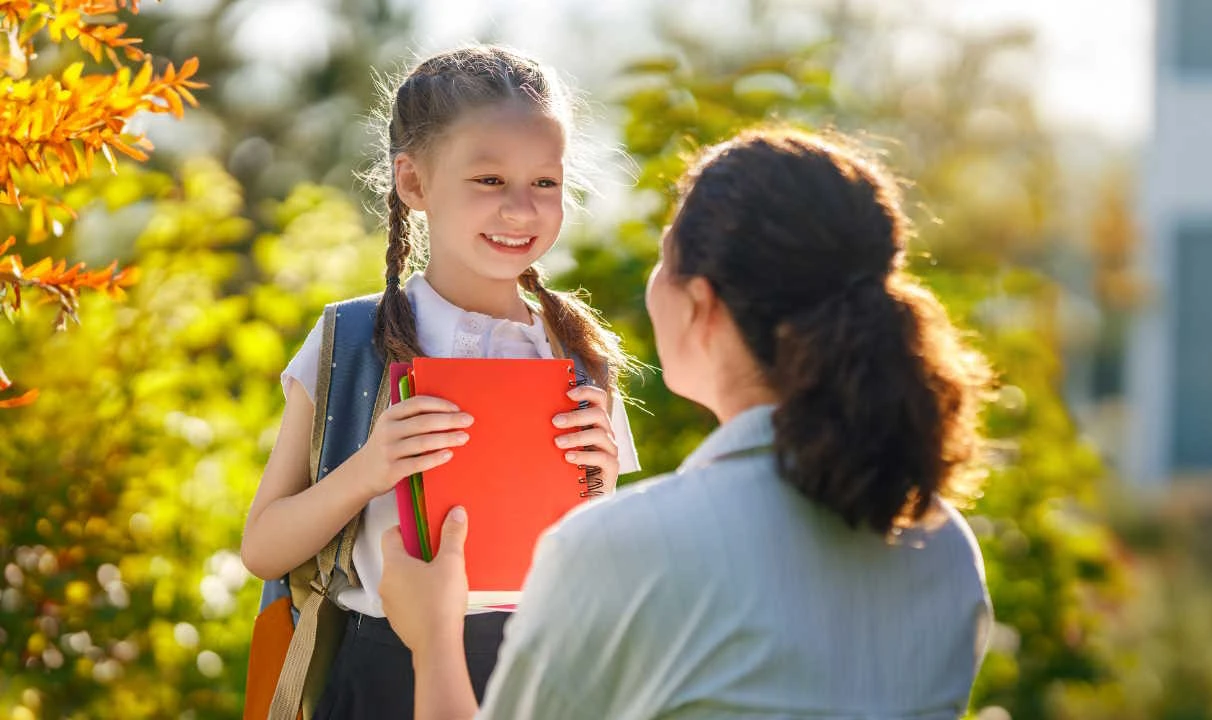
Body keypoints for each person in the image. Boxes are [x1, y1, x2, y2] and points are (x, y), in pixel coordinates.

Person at [380, 127, 996, 719]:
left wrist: (434, 639)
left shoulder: (624, 548)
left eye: (664, 255)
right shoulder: (941, 545)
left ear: (700, 302)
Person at [240, 44, 641, 718]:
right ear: (414, 183)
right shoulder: (349, 342)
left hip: (547, 674)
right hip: (378, 675)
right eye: (489, 180)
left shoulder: (580, 354)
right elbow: (262, 548)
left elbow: (605, 566)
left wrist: (600, 493)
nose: (522, 209)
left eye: (545, 182)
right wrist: (369, 469)